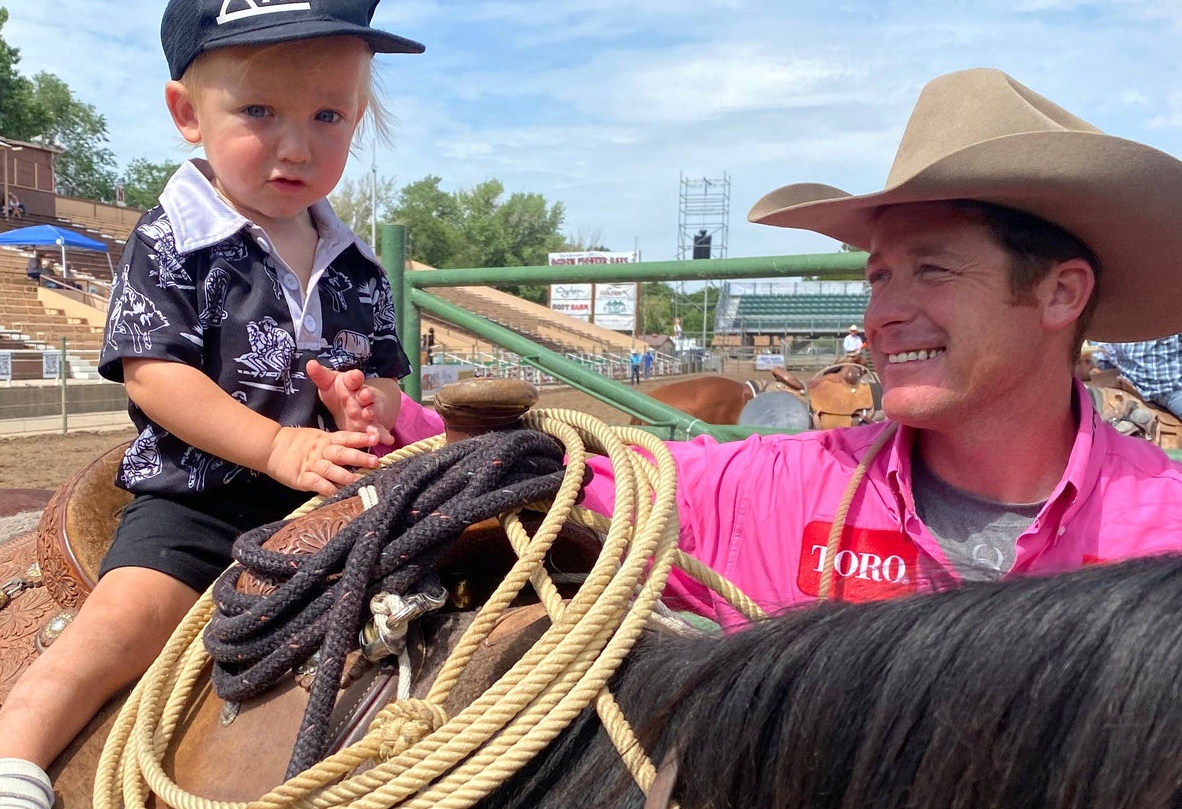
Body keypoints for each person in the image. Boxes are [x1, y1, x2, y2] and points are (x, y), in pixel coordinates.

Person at [0, 0, 424, 809]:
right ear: (186, 113)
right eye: (259, 112)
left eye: (328, 117)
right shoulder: (172, 239)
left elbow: (388, 372)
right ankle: (5, 771)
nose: (294, 144)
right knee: (129, 615)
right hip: (203, 501)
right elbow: (154, 373)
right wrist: (276, 449)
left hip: (328, 500)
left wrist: (365, 407)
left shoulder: (353, 261)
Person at [390, 69, 1182, 618]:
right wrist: (403, 420)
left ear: (1059, 292)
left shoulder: (1166, 530)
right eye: (877, 279)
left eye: (931, 270)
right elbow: (577, 481)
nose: (881, 316)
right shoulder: (776, 489)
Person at [1088, 335, 1182, 419]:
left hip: (1130, 384)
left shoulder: (1115, 321)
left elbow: (1103, 361)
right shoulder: (1171, 319)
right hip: (1168, 390)